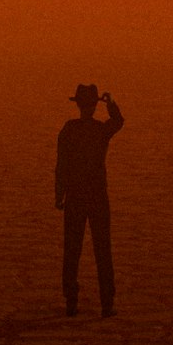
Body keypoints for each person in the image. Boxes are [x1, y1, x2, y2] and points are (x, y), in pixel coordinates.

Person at [55, 84, 124, 318]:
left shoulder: (69, 129)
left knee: (72, 249)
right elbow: (118, 122)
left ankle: (71, 301)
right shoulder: (99, 130)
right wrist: (111, 103)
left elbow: (61, 165)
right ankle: (107, 302)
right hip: (97, 196)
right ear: (95, 106)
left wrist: (59, 194)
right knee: (102, 249)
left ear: (78, 105)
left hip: (75, 195)